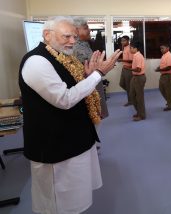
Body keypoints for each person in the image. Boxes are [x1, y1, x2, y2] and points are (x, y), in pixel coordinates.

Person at [19, 16, 121, 214]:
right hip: (54, 145)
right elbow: (64, 99)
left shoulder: (62, 56)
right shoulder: (36, 62)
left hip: (72, 139)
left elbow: (69, 85)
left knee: (75, 198)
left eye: (74, 37)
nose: (73, 42)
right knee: (57, 202)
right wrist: (97, 74)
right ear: (47, 35)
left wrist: (85, 76)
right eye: (67, 36)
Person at [73, 17, 109, 119]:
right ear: (76, 30)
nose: (89, 30)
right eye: (85, 28)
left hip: (92, 84)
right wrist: (103, 67)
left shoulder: (85, 44)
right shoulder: (76, 48)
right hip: (87, 88)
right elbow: (88, 69)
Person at [129, 41, 146, 121]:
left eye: (131, 48)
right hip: (135, 77)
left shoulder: (138, 56)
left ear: (135, 48)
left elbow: (138, 69)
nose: (130, 49)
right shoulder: (135, 56)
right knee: (132, 95)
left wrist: (130, 69)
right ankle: (139, 111)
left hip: (139, 77)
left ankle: (142, 115)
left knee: (139, 97)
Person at [155, 44, 171, 111]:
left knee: (168, 91)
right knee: (161, 88)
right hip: (164, 75)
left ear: (167, 48)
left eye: (163, 48)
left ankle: (170, 106)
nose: (161, 50)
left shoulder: (169, 56)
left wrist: (159, 70)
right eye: (160, 48)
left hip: (168, 75)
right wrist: (159, 67)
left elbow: (169, 67)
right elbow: (163, 65)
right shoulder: (164, 55)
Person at [118, 35, 134, 106]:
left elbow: (132, 61)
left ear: (128, 41)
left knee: (128, 86)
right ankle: (133, 94)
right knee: (122, 84)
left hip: (129, 69)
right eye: (121, 41)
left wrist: (122, 60)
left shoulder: (130, 48)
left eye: (124, 40)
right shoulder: (124, 48)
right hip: (124, 68)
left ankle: (131, 101)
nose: (122, 42)